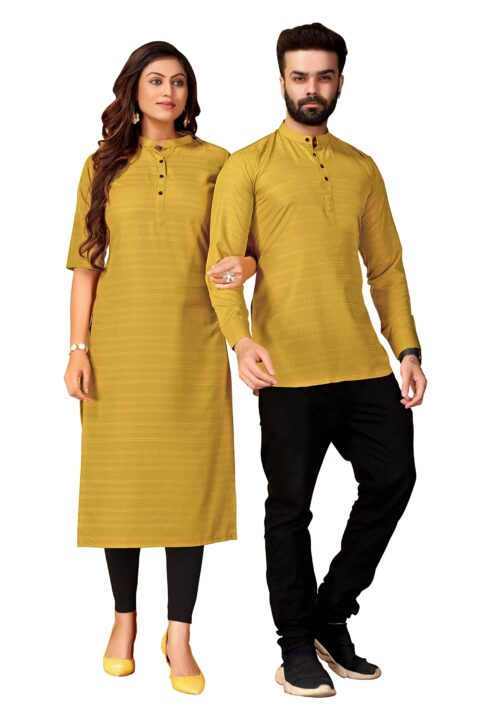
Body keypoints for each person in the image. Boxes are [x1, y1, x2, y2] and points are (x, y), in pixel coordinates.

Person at [206, 22, 427, 698]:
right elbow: (222, 267)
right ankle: (295, 645)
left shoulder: (361, 167)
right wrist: (240, 340)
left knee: (393, 479)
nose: (311, 87)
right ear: (281, 80)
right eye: (299, 76)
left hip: (363, 365)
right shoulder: (248, 165)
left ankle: (332, 614)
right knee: (289, 511)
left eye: (323, 76)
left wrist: (407, 348)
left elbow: (385, 268)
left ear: (339, 81)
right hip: (287, 369)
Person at [63, 40, 256, 695]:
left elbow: (249, 245)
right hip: (119, 346)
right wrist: (77, 349)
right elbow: (86, 263)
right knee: (121, 484)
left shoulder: (219, 163)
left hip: (193, 343)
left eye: (178, 81)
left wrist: (245, 265)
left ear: (188, 93)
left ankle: (179, 633)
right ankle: (124, 620)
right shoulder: (101, 166)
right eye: (155, 80)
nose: (168, 91)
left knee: (185, 486)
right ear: (134, 90)